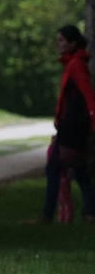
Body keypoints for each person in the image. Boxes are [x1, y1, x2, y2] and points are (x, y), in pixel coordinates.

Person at [40, 24, 95, 223]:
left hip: (72, 127)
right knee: (80, 171)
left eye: (62, 40)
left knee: (54, 167)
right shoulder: (73, 63)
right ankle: (90, 211)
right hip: (70, 126)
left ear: (73, 42)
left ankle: (47, 215)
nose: (59, 45)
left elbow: (89, 96)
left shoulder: (76, 65)